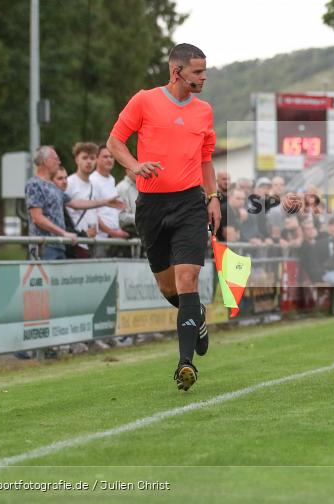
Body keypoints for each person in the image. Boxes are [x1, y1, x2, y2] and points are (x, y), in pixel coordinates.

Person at [107, 43, 220, 392]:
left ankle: (185, 365)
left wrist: (213, 196)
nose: (203, 77)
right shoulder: (144, 100)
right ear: (177, 72)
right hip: (152, 205)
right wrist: (135, 165)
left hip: (189, 203)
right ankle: (196, 319)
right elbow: (114, 143)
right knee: (168, 287)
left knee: (188, 280)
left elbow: (205, 160)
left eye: (204, 71)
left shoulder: (204, 112)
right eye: (197, 72)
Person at [25, 146, 121, 260]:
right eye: (56, 158)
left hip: (58, 245)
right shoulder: (34, 184)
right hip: (44, 246)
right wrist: (63, 233)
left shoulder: (52, 186)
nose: (59, 162)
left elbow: (75, 203)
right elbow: (37, 218)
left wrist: (105, 202)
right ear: (46, 161)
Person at [92, 144, 130, 256]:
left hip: (115, 237)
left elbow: (111, 211)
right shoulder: (92, 180)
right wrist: (112, 232)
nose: (109, 160)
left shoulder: (111, 180)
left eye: (111, 157)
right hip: (99, 239)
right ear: (96, 159)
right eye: (105, 157)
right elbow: (92, 214)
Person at [66, 142, 101, 257]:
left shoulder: (95, 184)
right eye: (85, 158)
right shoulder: (69, 183)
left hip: (91, 243)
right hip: (75, 243)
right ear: (77, 160)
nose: (89, 161)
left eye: (92, 158)